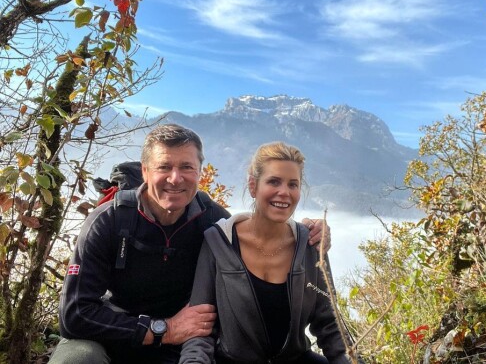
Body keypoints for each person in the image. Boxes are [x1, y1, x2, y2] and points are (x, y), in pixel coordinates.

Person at [50, 124, 329, 364]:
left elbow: (257, 237)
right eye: (164, 167)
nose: (175, 178)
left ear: (199, 172)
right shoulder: (109, 221)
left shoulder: (212, 220)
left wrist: (307, 231)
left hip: (188, 343)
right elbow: (74, 315)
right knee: (77, 357)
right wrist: (164, 329)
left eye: (186, 167)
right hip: (117, 333)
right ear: (145, 171)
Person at [179, 141, 350, 364]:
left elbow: (330, 324)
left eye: (293, 184)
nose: (284, 192)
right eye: (274, 181)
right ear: (253, 185)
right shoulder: (218, 243)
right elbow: (199, 330)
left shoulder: (310, 245)